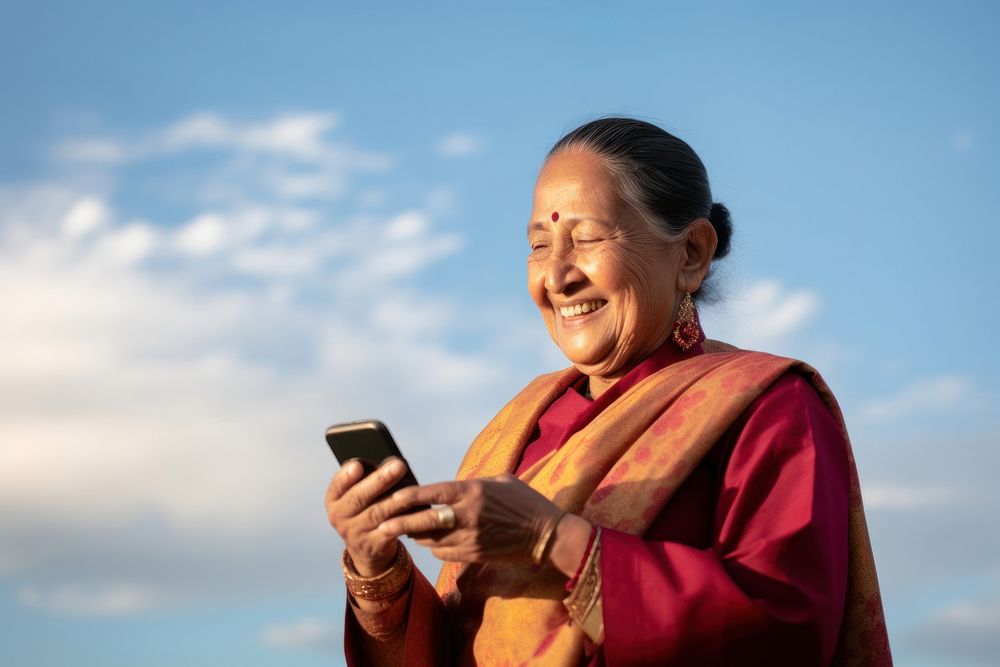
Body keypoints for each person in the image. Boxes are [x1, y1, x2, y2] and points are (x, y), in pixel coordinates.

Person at [325, 118, 892, 666]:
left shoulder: (765, 405)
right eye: (540, 245)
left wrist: (554, 540)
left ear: (691, 253)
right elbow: (464, 645)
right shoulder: (520, 424)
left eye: (587, 237)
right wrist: (379, 569)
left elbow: (786, 634)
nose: (557, 277)